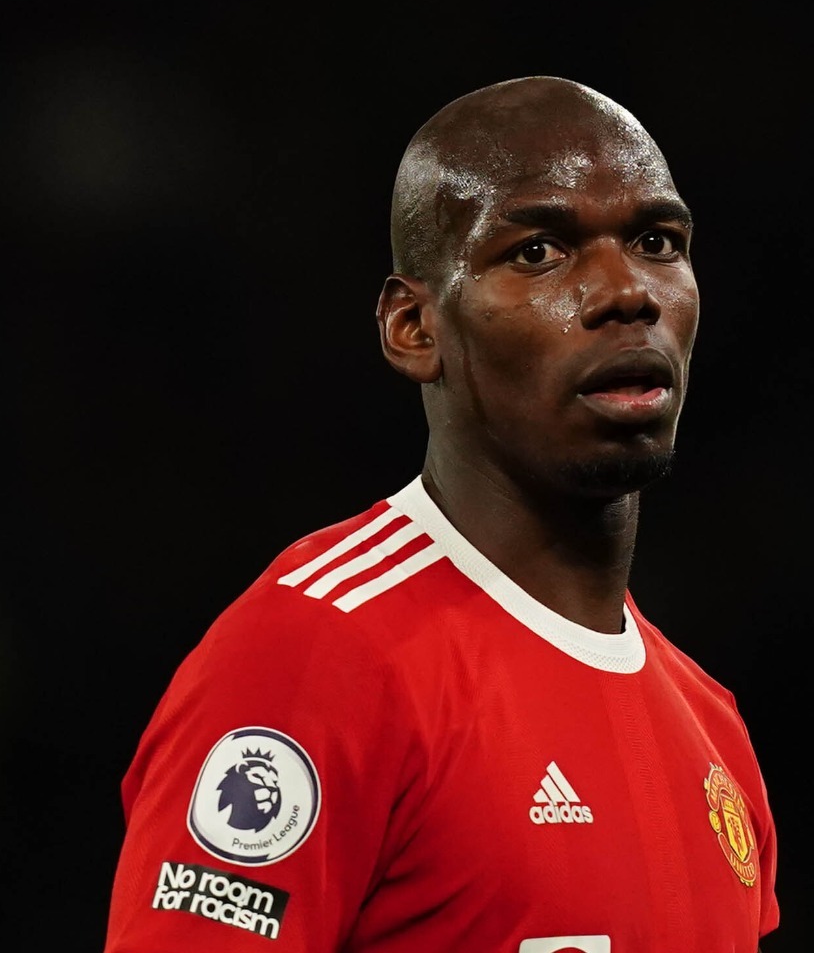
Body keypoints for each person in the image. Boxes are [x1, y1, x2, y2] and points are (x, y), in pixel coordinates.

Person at [102, 75, 779, 952]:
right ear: (414, 328)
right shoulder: (316, 655)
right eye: (540, 251)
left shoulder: (712, 729)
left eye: (656, 242)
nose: (627, 292)